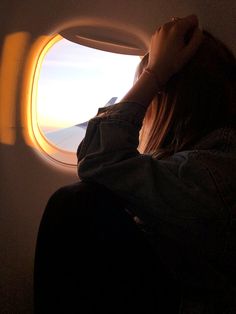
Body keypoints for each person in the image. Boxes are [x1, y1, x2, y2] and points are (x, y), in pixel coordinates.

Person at [34, 14, 236, 313]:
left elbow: (98, 160)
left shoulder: (208, 175)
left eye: (151, 97)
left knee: (75, 203)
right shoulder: (202, 166)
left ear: (168, 101)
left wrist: (155, 73)